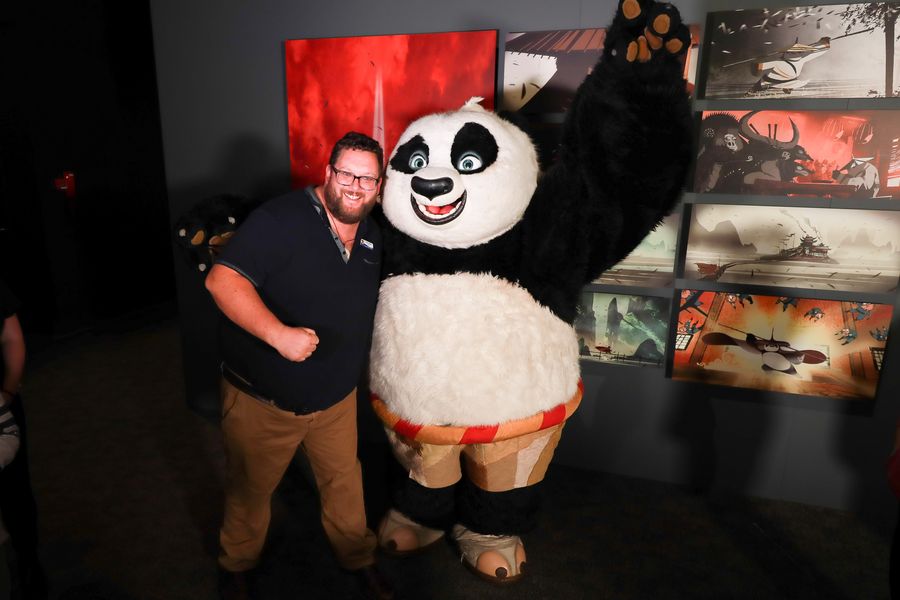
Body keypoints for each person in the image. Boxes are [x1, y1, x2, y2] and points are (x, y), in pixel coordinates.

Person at [205, 132, 391, 600]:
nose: (355, 186)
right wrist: (278, 335)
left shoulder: (371, 234)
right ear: (328, 173)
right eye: (346, 173)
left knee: (344, 484)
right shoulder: (280, 220)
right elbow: (221, 282)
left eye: (367, 178)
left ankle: (358, 558)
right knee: (250, 491)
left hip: (335, 398)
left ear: (379, 185)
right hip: (265, 399)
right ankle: (236, 567)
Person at [0, 278, 47, 600]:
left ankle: (28, 561)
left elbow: (12, 336)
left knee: (14, 489)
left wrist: (7, 392)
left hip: (1, 407)